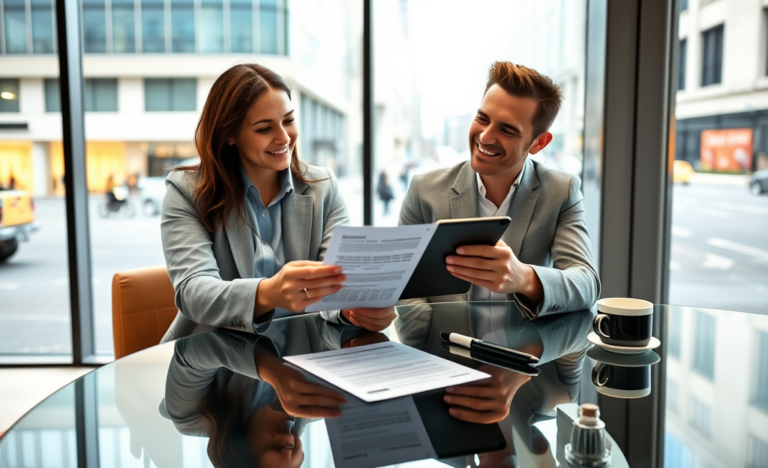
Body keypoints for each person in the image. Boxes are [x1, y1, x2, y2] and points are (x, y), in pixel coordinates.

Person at [161, 64, 395, 341]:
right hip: (212, 362)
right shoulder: (187, 190)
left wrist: (356, 310)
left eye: (288, 120)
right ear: (229, 135)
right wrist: (269, 293)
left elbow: (337, 286)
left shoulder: (323, 187)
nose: (284, 138)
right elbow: (193, 292)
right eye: (264, 128)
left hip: (303, 358)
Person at [399, 62, 600, 318]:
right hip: (443, 351)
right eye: (482, 118)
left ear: (538, 143)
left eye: (507, 130)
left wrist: (524, 278)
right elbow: (404, 286)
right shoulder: (423, 191)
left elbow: (586, 284)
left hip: (527, 352)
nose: (484, 137)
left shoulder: (562, 191)